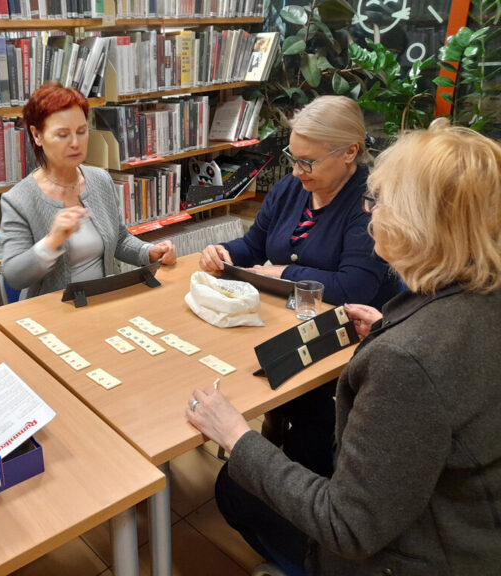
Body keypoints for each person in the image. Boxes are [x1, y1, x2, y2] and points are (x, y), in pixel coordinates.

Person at [186, 120, 501, 575]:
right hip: (470, 523)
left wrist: (236, 436)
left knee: (234, 488)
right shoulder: (478, 297)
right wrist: (387, 327)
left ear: (419, 224)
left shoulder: (406, 362)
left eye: (378, 201)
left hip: (414, 555)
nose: (369, 213)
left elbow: (347, 528)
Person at [200, 96, 402, 476]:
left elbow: (354, 285)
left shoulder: (369, 203)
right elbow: (255, 246)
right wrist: (223, 252)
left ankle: (287, 448)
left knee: (284, 398)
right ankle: (273, 427)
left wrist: (283, 275)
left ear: (349, 153)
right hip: (283, 322)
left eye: (307, 161)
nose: (296, 171)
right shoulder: (291, 189)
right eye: (293, 157)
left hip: (344, 338)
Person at [0, 82, 176, 300]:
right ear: (37, 135)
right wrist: (52, 240)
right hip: (52, 313)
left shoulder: (99, 179)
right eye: (63, 134)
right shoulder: (18, 199)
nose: (75, 143)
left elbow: (119, 239)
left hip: (104, 301)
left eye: (82, 132)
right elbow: (14, 277)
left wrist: (148, 252)